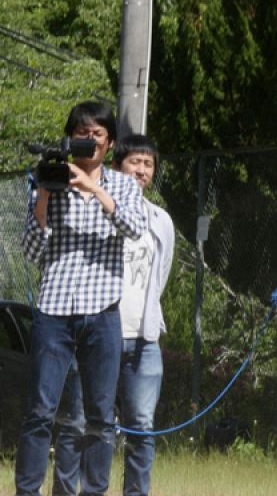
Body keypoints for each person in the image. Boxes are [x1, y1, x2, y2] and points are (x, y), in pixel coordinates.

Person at [16, 101, 149, 496]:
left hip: (102, 311)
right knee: (41, 411)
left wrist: (94, 189)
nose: (88, 141)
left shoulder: (123, 185)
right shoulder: (50, 179)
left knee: (100, 416)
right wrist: (43, 198)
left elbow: (134, 228)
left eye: (97, 135)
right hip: (54, 311)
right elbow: (32, 251)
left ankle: (93, 491)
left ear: (110, 144)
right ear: (69, 138)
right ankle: (27, 491)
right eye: (81, 134)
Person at [51, 135, 177, 496]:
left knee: (141, 427)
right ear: (116, 165)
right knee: (79, 422)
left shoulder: (160, 220)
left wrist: (149, 318)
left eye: (148, 164)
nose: (141, 170)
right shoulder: (93, 206)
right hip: (94, 334)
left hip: (143, 340)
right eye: (134, 162)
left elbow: (160, 274)